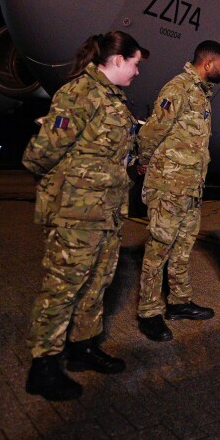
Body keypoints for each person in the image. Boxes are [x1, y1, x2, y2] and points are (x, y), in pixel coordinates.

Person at [21, 31, 148, 401]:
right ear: (118, 59)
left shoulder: (115, 100)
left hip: (106, 213)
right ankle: (42, 367)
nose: (137, 72)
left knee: (98, 283)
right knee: (62, 288)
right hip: (77, 215)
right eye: (136, 64)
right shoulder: (79, 94)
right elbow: (39, 154)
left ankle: (83, 347)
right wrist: (70, 183)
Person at [135, 40, 220, 342]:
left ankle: (179, 302)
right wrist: (144, 161)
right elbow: (152, 130)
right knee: (159, 247)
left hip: (191, 187)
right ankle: (149, 311)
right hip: (169, 185)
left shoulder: (201, 94)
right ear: (208, 63)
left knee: (183, 246)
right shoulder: (177, 89)